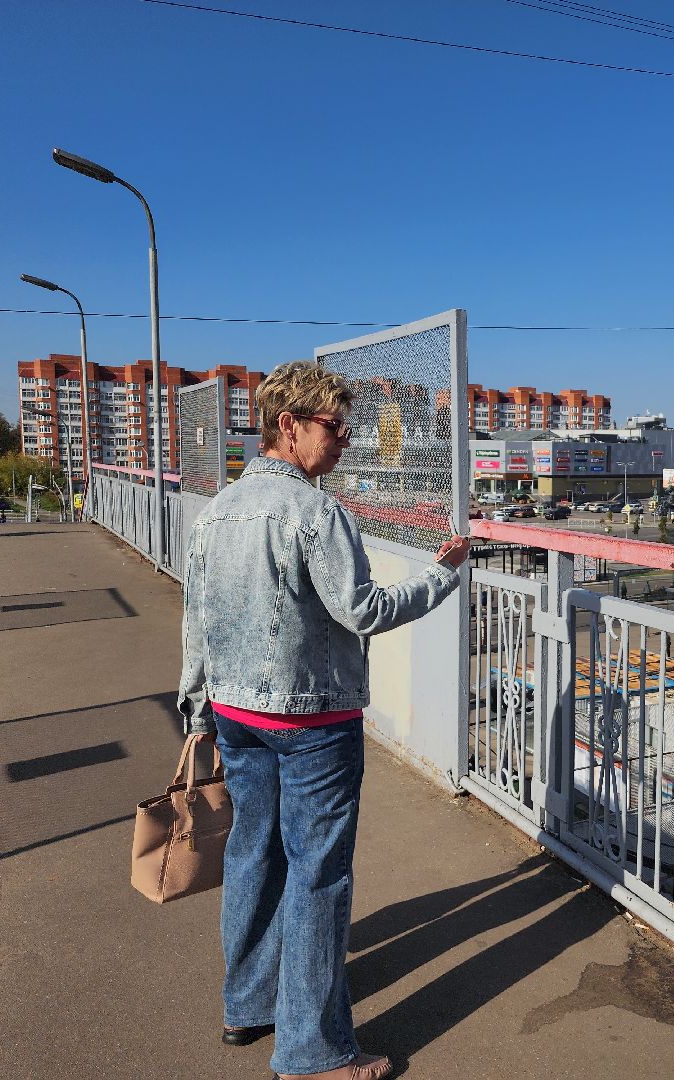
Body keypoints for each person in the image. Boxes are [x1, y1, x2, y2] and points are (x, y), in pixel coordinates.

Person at [178, 360, 470, 1080]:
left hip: (234, 713)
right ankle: (313, 1055)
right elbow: (362, 610)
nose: (344, 442)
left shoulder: (217, 510)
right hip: (311, 723)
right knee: (318, 877)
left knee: (252, 854)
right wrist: (442, 575)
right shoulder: (317, 513)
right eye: (335, 428)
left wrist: (195, 710)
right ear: (290, 426)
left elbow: (197, 619)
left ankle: (247, 1006)